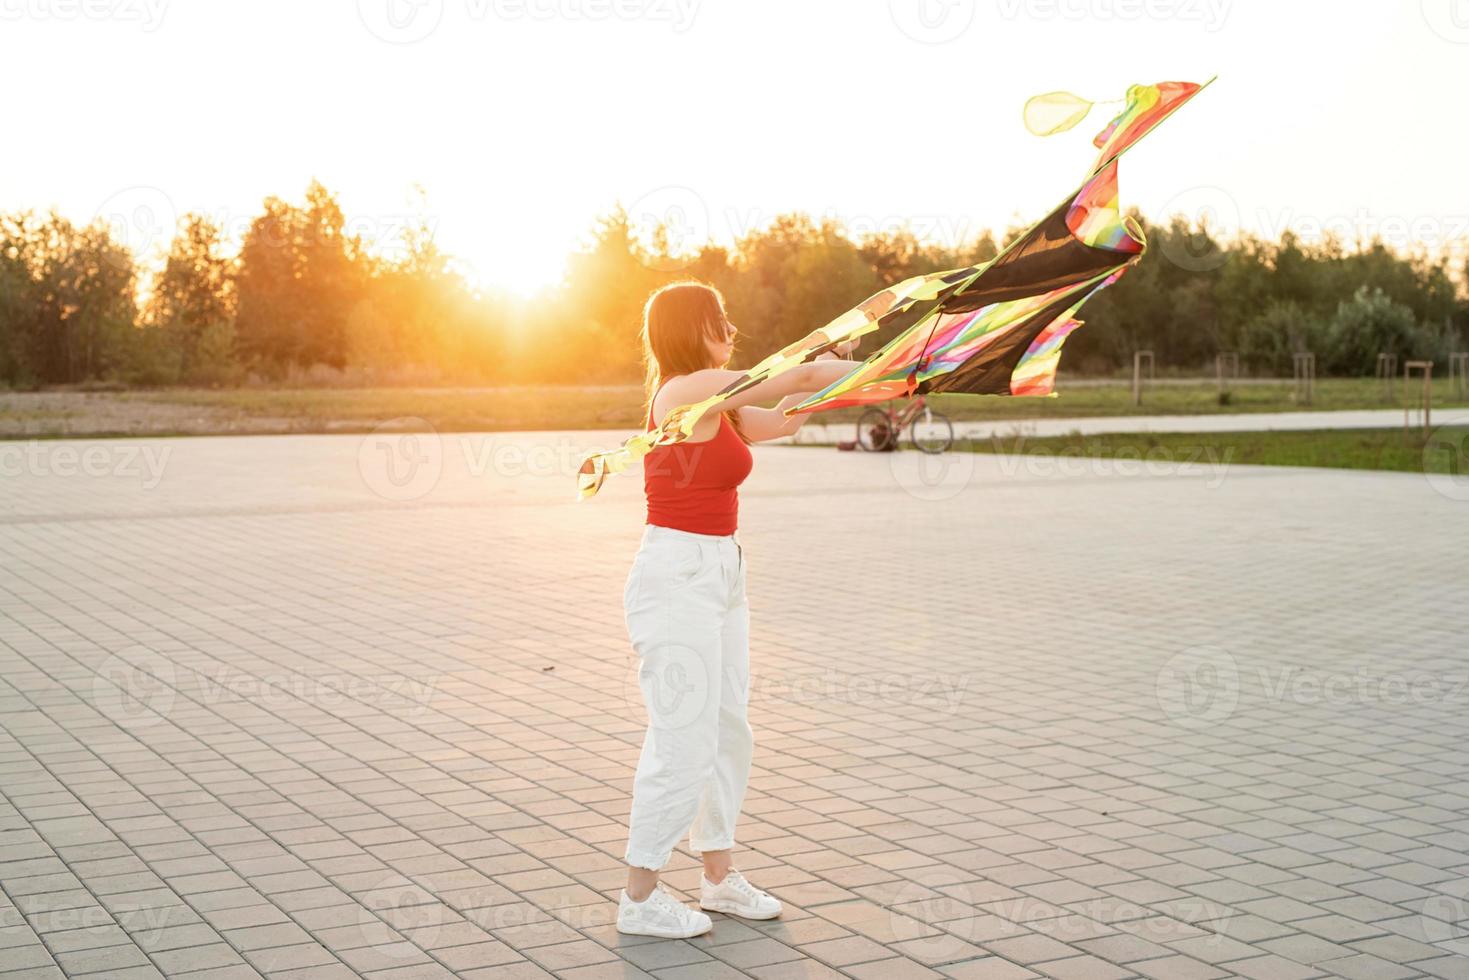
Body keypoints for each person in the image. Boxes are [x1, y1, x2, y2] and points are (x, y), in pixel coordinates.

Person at [617, 281, 863, 939]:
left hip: (721, 573)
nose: (730, 328)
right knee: (684, 736)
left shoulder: (718, 406)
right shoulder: (680, 394)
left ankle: (718, 880)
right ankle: (639, 896)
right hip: (676, 578)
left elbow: (789, 410)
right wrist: (898, 368)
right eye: (716, 320)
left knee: (728, 730)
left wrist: (843, 372)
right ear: (684, 331)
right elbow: (800, 370)